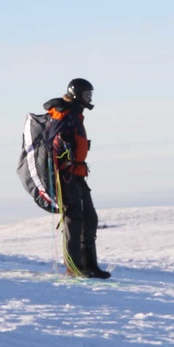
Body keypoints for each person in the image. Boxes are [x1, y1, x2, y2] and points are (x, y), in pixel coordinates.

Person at [43, 78, 111, 279]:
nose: (89, 98)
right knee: (75, 221)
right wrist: (65, 152)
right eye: (86, 94)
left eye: (90, 94)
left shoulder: (75, 114)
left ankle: (90, 265)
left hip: (78, 174)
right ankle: (74, 267)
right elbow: (53, 143)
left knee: (90, 218)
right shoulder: (66, 114)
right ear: (76, 94)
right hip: (66, 176)